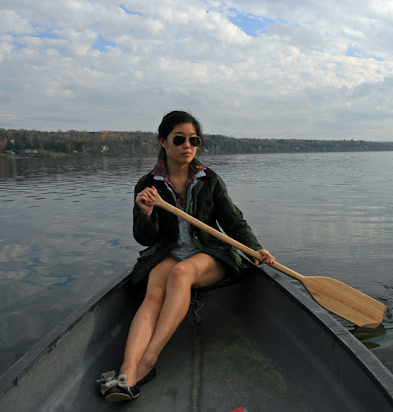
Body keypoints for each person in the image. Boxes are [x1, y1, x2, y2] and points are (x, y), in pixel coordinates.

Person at [97, 110, 275, 401]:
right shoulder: (148, 185)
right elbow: (145, 238)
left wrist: (255, 248)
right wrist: (146, 213)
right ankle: (127, 372)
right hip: (168, 253)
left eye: (194, 140)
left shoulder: (209, 180)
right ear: (163, 141)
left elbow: (233, 222)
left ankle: (148, 361)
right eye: (179, 139)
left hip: (209, 252)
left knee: (181, 274)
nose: (187, 146)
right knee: (154, 294)